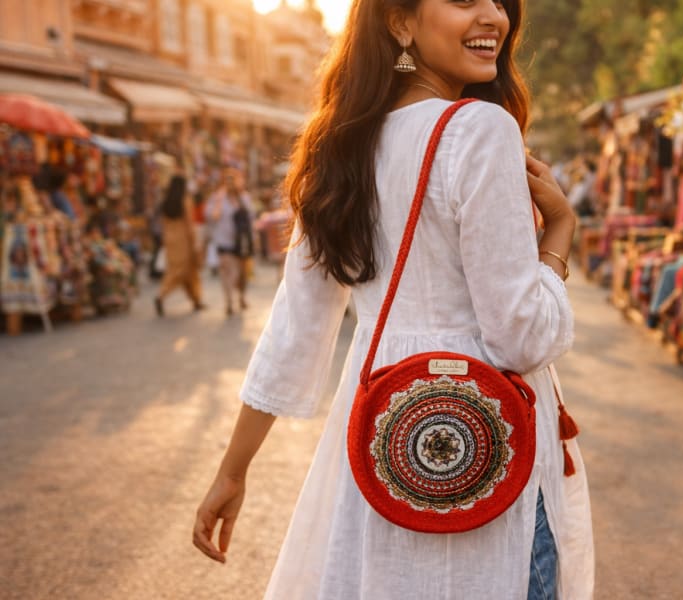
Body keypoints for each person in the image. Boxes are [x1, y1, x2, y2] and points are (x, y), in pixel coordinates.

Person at [192, 1, 594, 598]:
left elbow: (295, 330)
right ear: (399, 22)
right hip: (488, 451)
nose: (494, 17)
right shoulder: (481, 129)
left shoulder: (338, 150)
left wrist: (233, 470)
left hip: (384, 445)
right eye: (464, 0)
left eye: (499, 1)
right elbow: (521, 337)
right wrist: (559, 231)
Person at [205, 168, 254, 316]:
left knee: (241, 273)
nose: (230, 183)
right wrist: (219, 201)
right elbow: (211, 216)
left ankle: (241, 297)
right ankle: (229, 301)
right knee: (227, 271)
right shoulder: (217, 198)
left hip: (241, 242)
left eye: (233, 180)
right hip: (223, 241)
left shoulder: (244, 198)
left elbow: (251, 218)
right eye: (227, 180)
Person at [154, 174, 205, 316]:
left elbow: (163, 224)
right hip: (183, 241)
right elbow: (189, 224)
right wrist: (194, 242)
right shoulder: (185, 201)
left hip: (170, 241)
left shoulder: (166, 202)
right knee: (180, 271)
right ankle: (161, 295)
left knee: (186, 272)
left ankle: (196, 300)